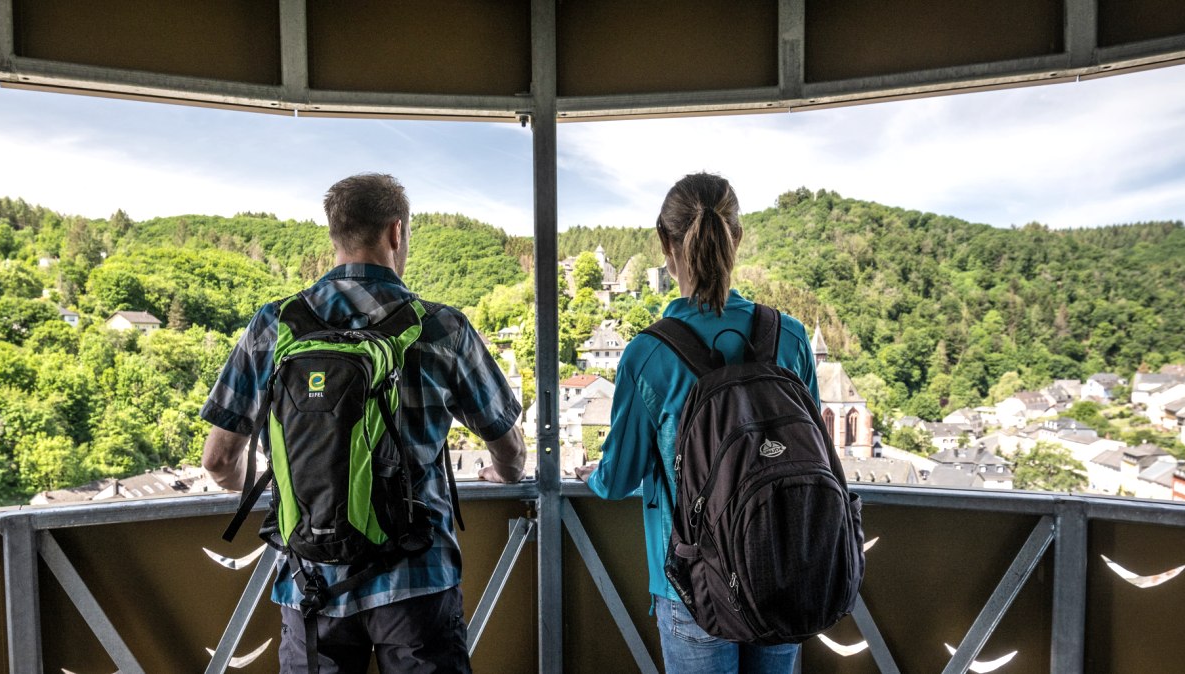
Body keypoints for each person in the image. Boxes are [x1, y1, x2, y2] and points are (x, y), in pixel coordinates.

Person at [200, 173, 526, 674]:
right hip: (418, 579)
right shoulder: (443, 327)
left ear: (334, 233)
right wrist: (502, 474)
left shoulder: (273, 324)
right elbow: (510, 448)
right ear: (396, 233)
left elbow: (219, 461)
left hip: (310, 579)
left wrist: (297, 491)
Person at [577, 173, 820, 674]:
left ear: (665, 243)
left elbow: (620, 476)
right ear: (739, 236)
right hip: (786, 570)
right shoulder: (789, 338)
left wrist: (591, 476)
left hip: (693, 584)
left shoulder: (651, 354)